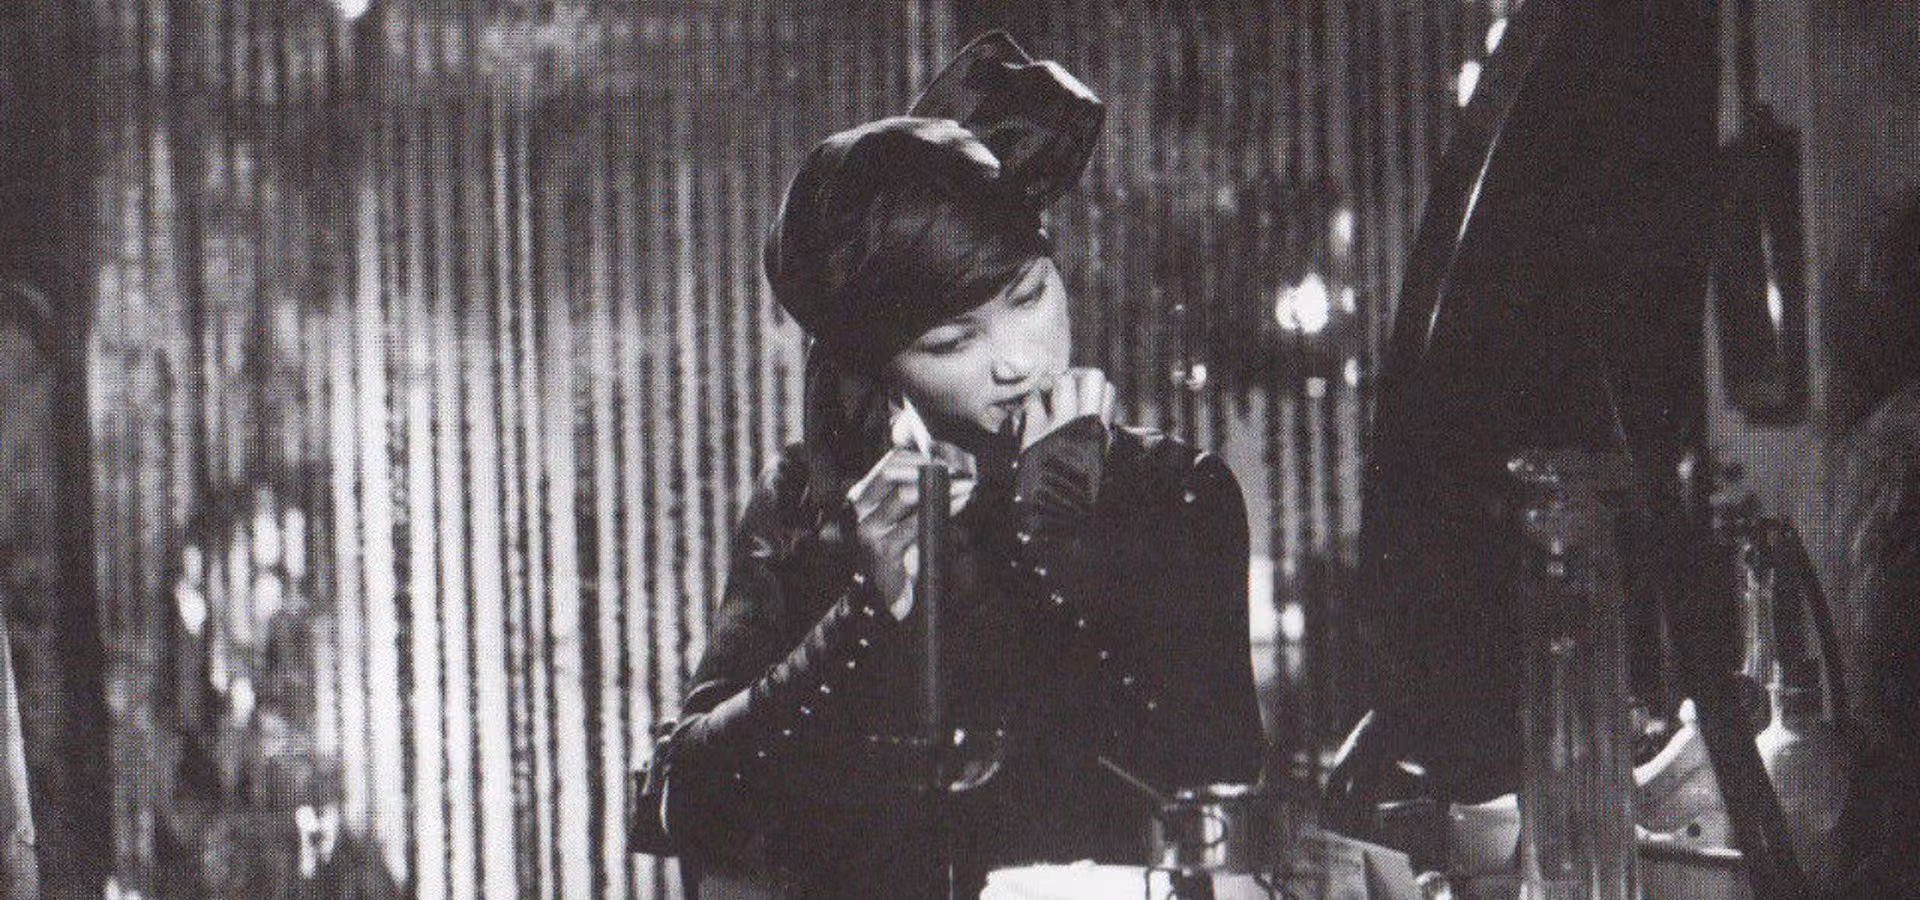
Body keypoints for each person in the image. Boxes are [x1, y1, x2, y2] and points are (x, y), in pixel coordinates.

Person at [642, 34, 1263, 900]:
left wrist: (1059, 546)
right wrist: (861, 615)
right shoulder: (808, 503)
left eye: (1029, 296)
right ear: (884, 367)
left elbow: (1213, 794)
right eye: (950, 342)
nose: (1017, 362)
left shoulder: (1172, 491)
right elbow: (682, 802)